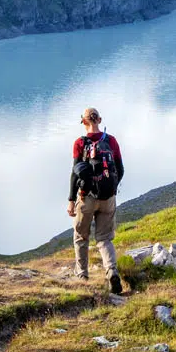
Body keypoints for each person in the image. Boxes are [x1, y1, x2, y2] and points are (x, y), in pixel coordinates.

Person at [67, 107, 125, 294]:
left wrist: (71, 200)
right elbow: (120, 169)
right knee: (105, 238)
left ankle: (82, 276)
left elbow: (75, 174)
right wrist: (112, 189)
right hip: (108, 198)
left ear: (83, 122)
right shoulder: (111, 141)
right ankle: (111, 271)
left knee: (81, 237)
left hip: (86, 197)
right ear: (99, 119)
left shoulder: (79, 143)